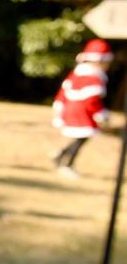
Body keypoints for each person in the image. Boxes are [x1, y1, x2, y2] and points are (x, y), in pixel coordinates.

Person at [51, 38, 113, 178]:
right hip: (82, 112)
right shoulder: (95, 77)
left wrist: (59, 110)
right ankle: (67, 163)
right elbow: (92, 101)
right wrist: (101, 114)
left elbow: (62, 95)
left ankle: (61, 155)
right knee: (82, 138)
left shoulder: (77, 74)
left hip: (70, 110)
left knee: (80, 138)